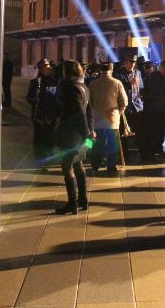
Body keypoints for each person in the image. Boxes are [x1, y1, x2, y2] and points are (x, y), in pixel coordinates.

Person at [53, 60, 94, 214]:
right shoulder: (84, 86)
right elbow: (89, 111)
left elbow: (80, 113)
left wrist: (87, 134)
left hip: (71, 135)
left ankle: (72, 204)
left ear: (66, 72)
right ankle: (83, 200)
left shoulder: (70, 88)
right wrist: (90, 130)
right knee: (79, 165)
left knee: (67, 167)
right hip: (82, 134)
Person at [88, 62, 128, 173]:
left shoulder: (93, 83)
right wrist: (119, 112)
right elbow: (124, 101)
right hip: (112, 119)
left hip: (97, 119)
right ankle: (111, 166)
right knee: (112, 143)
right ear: (111, 70)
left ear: (100, 70)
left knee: (96, 143)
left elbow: (89, 102)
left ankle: (95, 165)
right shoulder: (117, 83)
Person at [26, 59, 59, 165]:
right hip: (39, 115)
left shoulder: (55, 81)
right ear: (41, 69)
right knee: (39, 137)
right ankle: (39, 156)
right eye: (46, 67)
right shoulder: (35, 82)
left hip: (51, 114)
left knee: (50, 136)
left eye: (49, 66)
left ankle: (49, 155)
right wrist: (35, 99)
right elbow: (29, 97)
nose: (49, 69)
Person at [114, 54, 146, 161]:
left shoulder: (138, 72)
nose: (133, 64)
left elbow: (141, 87)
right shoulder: (118, 74)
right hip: (125, 108)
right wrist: (129, 83)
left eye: (134, 62)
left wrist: (141, 94)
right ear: (125, 62)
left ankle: (144, 154)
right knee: (124, 133)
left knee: (140, 131)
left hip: (137, 107)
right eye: (131, 62)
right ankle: (125, 156)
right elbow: (118, 90)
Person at [144, 61, 165, 157]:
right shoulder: (153, 77)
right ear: (160, 68)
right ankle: (152, 150)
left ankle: (159, 147)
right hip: (155, 109)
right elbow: (154, 92)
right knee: (155, 130)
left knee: (162, 130)